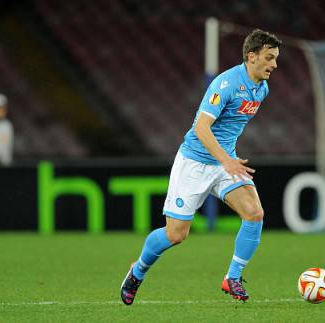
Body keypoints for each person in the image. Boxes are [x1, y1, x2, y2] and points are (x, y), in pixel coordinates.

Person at [120, 29, 281, 305]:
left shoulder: (262, 88)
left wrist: (226, 160)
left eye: (276, 59)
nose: (274, 65)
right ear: (251, 56)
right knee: (176, 234)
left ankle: (232, 277)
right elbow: (201, 127)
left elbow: (229, 129)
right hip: (195, 163)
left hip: (224, 163)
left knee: (254, 213)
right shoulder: (226, 84)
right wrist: (226, 160)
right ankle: (137, 271)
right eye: (269, 58)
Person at [0, 94, 13, 166]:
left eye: (2, 108)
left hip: (4, 165)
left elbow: (5, 148)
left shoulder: (7, 126)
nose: (1, 111)